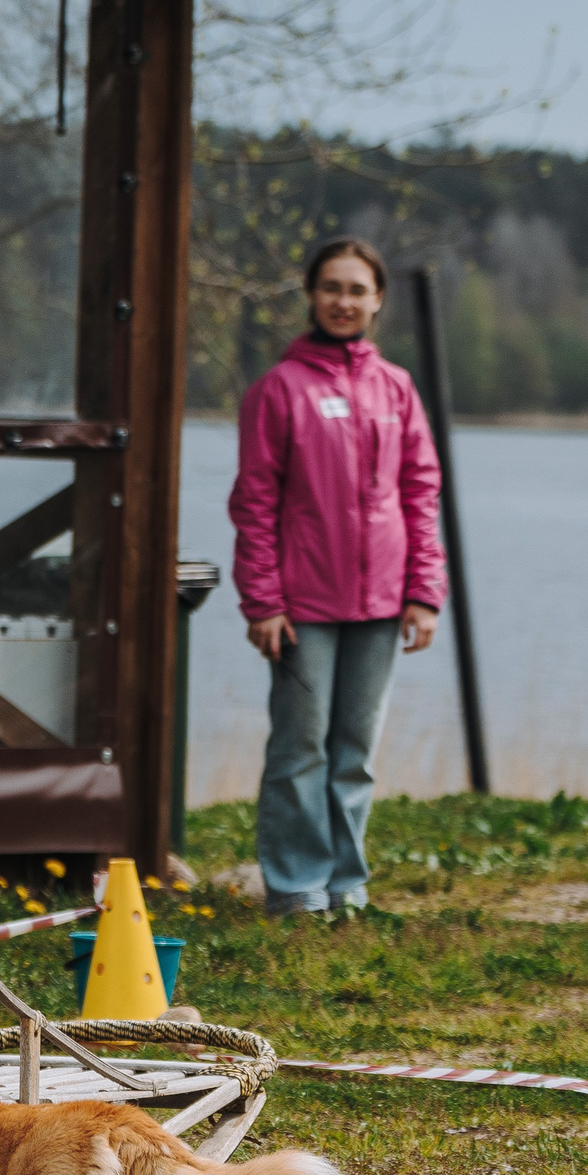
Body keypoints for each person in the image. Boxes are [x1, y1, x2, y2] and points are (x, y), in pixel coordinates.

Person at [227, 237, 445, 918]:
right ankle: (295, 886)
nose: (343, 301)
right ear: (311, 296)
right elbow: (255, 502)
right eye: (331, 288)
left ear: (378, 300)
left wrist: (423, 593)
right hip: (302, 606)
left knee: (355, 748)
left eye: (357, 289)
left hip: (382, 604)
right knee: (300, 746)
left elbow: (421, 491)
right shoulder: (278, 391)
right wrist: (262, 601)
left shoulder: (397, 389)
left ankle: (346, 884)